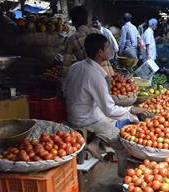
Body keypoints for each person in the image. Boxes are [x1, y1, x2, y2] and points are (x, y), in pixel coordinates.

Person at [63, 33, 151, 177]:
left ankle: (94, 144)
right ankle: (123, 176)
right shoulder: (95, 76)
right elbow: (109, 109)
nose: (110, 50)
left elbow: (65, 89)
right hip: (85, 118)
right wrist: (131, 109)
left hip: (74, 111)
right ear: (100, 53)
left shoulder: (76, 66)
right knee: (121, 142)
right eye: (107, 47)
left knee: (117, 120)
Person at [62, 6, 99, 77]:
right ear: (87, 19)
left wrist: (63, 81)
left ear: (73, 21)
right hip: (106, 74)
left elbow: (66, 66)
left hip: (88, 76)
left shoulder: (72, 39)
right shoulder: (98, 32)